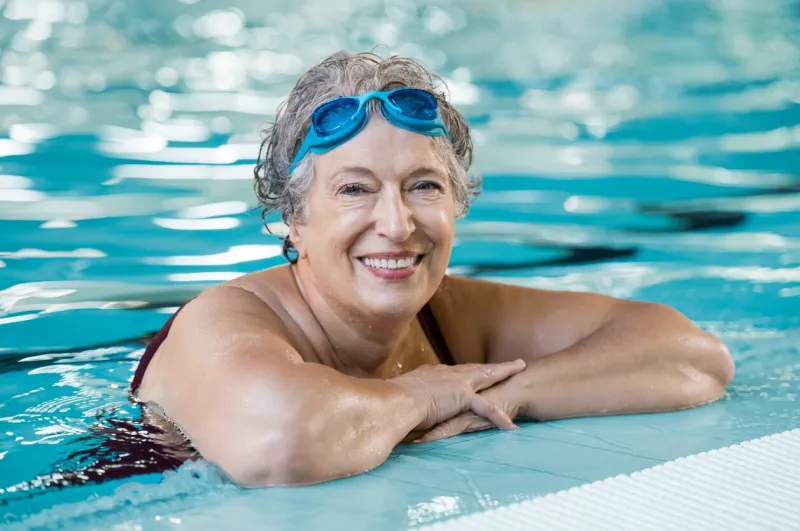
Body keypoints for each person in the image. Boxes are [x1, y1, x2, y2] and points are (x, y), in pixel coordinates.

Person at [130, 51, 735, 487]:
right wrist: (423, 393)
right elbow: (284, 442)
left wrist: (507, 394)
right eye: (353, 190)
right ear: (294, 220)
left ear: (457, 204)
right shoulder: (225, 320)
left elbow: (693, 357)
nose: (396, 224)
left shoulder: (446, 315)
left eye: (423, 186)